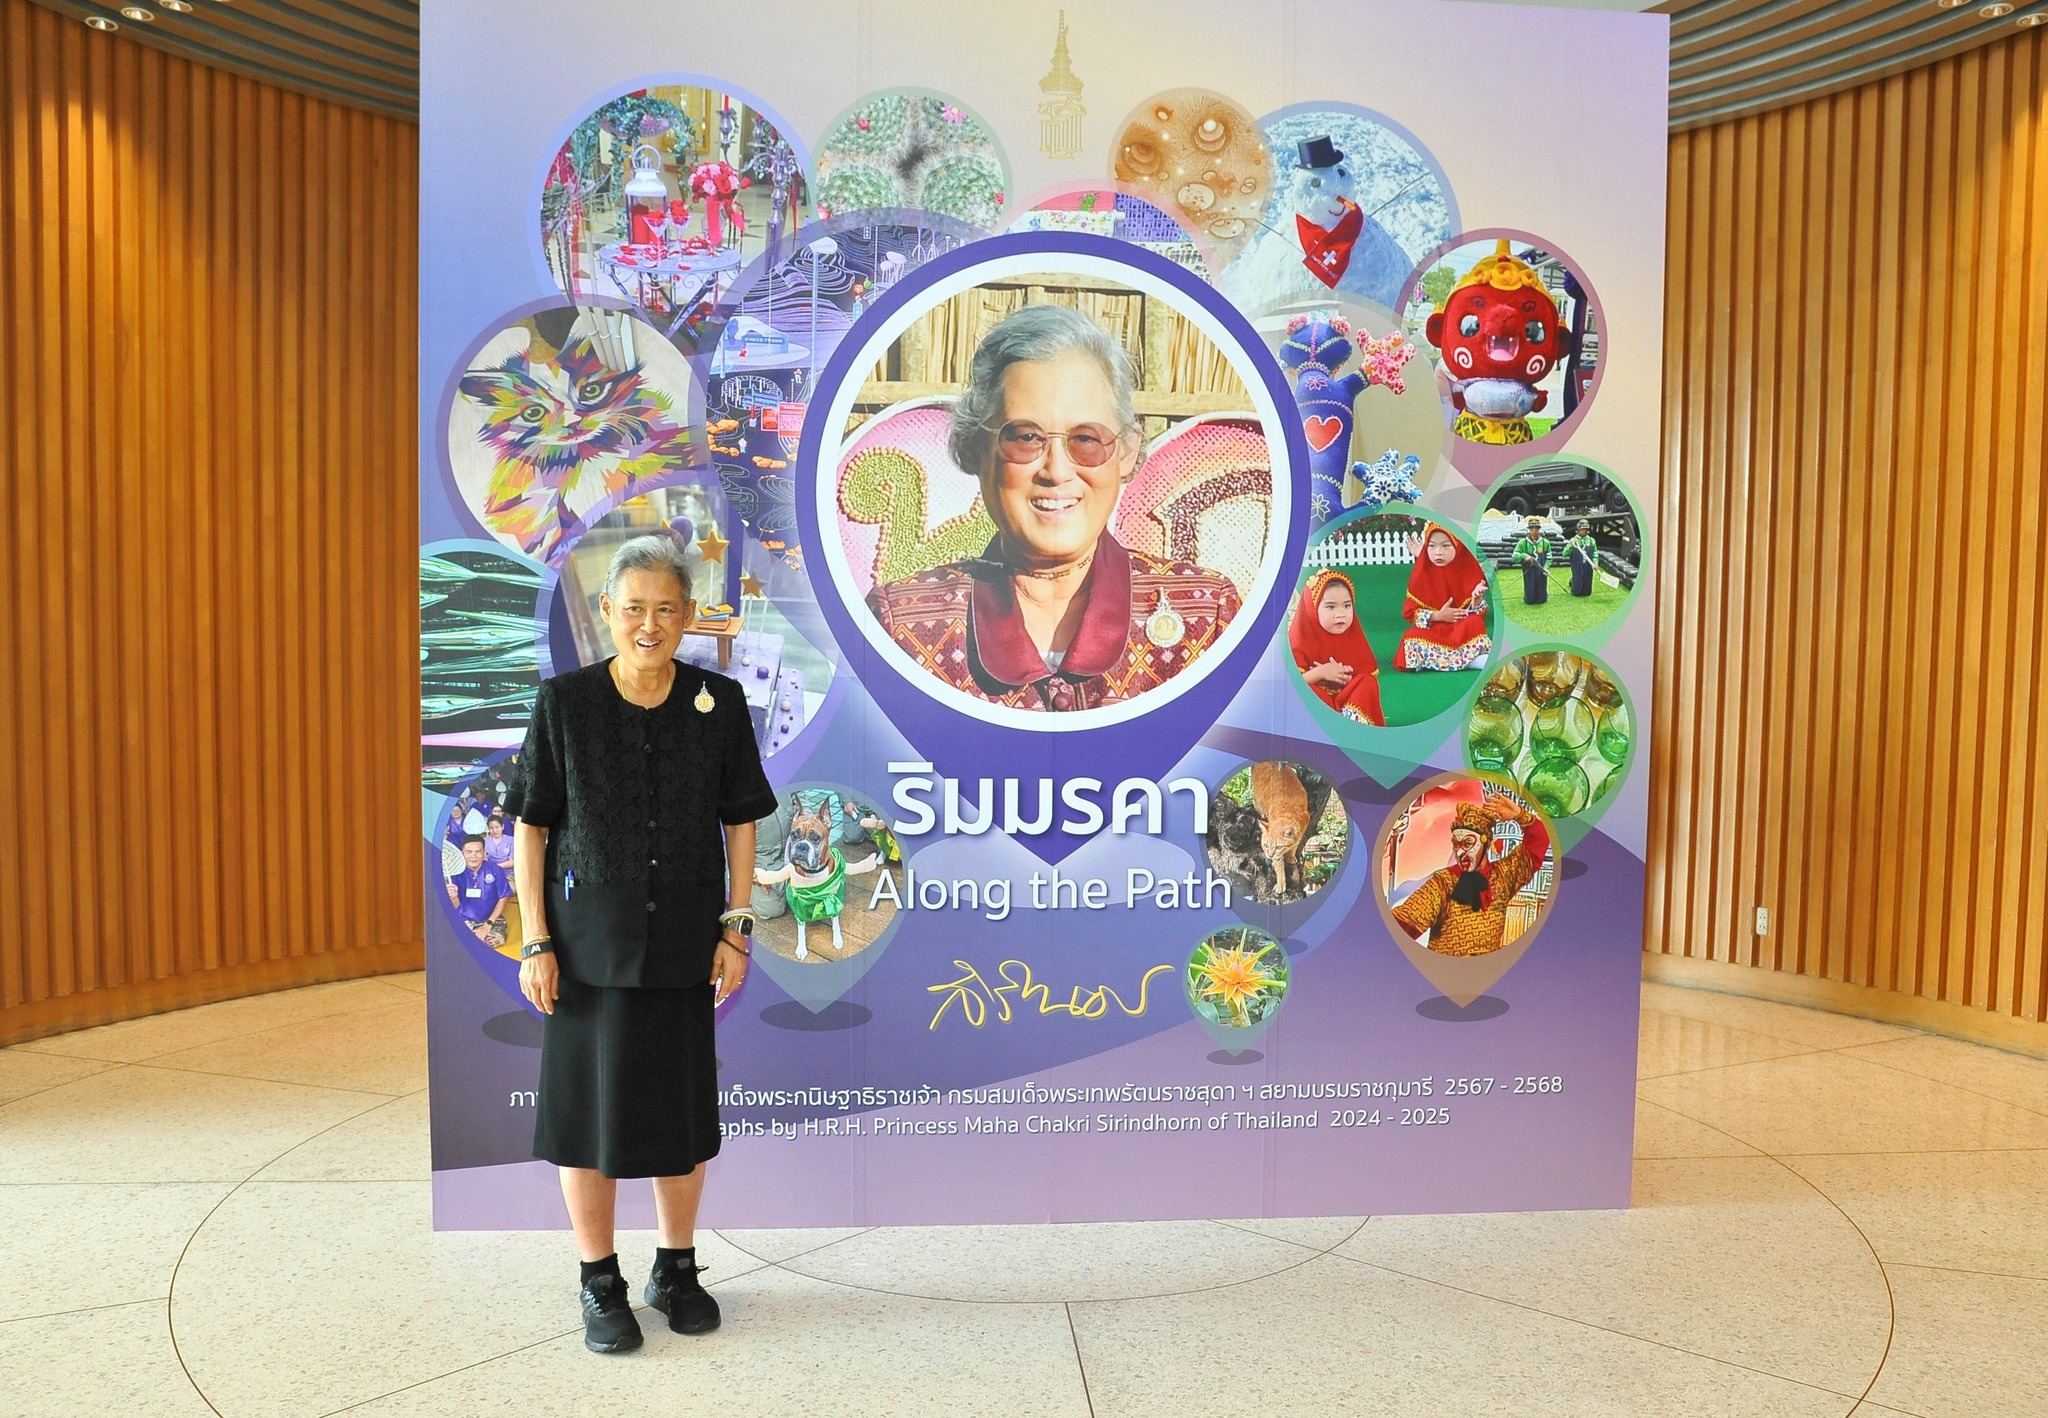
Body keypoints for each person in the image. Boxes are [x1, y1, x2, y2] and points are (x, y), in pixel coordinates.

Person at [503, 534, 777, 1355]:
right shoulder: (566, 704)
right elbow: (531, 828)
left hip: (686, 945)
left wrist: (736, 927)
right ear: (606, 612)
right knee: (586, 1120)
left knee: (679, 1117)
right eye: (633, 609)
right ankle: (599, 1279)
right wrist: (536, 942)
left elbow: (740, 821)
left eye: (665, 609)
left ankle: (676, 1269)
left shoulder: (719, 701)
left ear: (688, 615)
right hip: (586, 949)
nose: (648, 624)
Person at [867, 304, 1241, 712]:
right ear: (975, 449)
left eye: (1086, 439)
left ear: (1126, 452)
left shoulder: (1207, 620)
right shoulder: (901, 629)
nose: (1057, 471)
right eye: (1026, 438)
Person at [1390, 793, 1550, 956]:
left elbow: (1539, 842)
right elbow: (1399, 927)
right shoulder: (1442, 884)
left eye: (1467, 843)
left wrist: (1519, 815)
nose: (1460, 852)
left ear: (1486, 842)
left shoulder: (1504, 876)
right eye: (1456, 845)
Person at [1289, 568, 1384, 725]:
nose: (1341, 614)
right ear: (1312, 609)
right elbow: (1289, 685)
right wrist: (1320, 673)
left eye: (1347, 606)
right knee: (1306, 691)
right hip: (1320, 706)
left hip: (1347, 705)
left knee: (1368, 682)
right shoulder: (1299, 641)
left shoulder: (1354, 638)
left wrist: (1346, 680)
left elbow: (1363, 675)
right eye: (1331, 607)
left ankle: (1353, 725)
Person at [1394, 527, 1492, 671]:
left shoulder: (1468, 570)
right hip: (1435, 629)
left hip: (1461, 628)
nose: (1438, 552)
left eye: (1446, 546)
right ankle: (1469, 659)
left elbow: (1477, 613)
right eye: (1432, 546)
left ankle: (1449, 660)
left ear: (1458, 546)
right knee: (1410, 636)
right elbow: (1410, 612)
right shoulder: (1423, 573)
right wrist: (1438, 616)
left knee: (1475, 622)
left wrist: (1476, 601)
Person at [447, 835, 513, 947]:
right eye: (469, 852)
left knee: (494, 941)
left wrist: (488, 924)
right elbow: (455, 906)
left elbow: (503, 897)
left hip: (491, 919)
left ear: (484, 853)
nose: (473, 856)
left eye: (478, 851)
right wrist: (453, 897)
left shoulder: (495, 870)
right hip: (464, 919)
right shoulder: (455, 874)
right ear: (462, 853)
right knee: (462, 943)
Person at [1512, 515, 1551, 605]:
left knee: (1542, 600)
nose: (1534, 530)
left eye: (1536, 528)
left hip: (1541, 571)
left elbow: (1549, 558)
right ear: (1529, 529)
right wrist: (1524, 556)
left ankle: (1544, 594)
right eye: (1532, 528)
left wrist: (1546, 568)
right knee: (1529, 600)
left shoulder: (1545, 543)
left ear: (1539, 529)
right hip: (1529, 572)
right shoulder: (1522, 543)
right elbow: (1514, 557)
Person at [1567, 519, 1599, 598]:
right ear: (1578, 529)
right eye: (1583, 529)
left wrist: (1595, 563)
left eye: (1586, 529)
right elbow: (1564, 553)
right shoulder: (1574, 540)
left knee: (1587, 592)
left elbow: (1595, 553)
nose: (1585, 531)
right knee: (1576, 592)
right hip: (1577, 565)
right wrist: (1570, 546)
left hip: (1588, 565)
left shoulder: (1591, 541)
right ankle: (1573, 582)